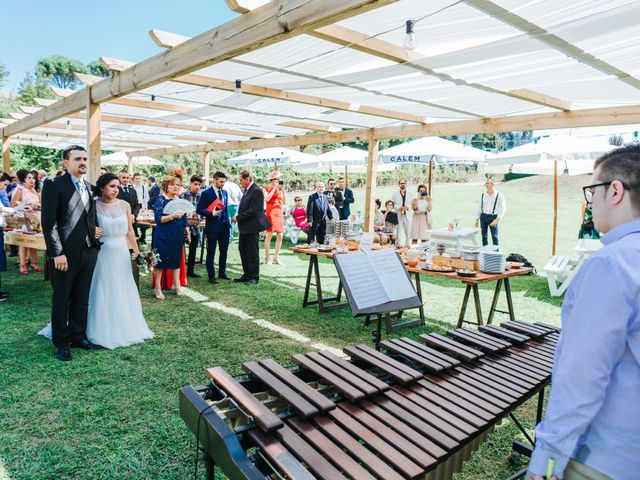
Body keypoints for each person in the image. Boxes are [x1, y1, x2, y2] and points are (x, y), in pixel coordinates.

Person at [528, 143, 640, 480]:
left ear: (615, 191)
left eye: (593, 190)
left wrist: (546, 461)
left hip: (603, 458)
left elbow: (582, 377)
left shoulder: (612, 263)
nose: (590, 201)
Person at [41, 145, 103, 361]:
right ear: (66, 163)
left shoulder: (88, 186)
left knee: (82, 297)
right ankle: (61, 343)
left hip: (88, 251)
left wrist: (93, 233)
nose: (83, 162)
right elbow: (49, 223)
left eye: (85, 158)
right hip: (64, 254)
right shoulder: (54, 185)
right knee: (61, 298)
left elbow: (87, 216)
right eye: (77, 158)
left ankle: (79, 336)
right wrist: (57, 253)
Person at [86, 174, 153, 349]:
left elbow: (130, 231)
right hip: (102, 252)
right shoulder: (93, 204)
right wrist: (93, 231)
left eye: (117, 186)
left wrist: (137, 252)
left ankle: (125, 324)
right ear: (102, 188)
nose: (116, 190)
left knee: (123, 286)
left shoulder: (124, 205)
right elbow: (86, 226)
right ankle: (99, 327)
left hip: (121, 252)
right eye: (111, 186)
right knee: (103, 286)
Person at [152, 176, 189, 299]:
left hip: (177, 234)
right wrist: (172, 216)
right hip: (163, 234)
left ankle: (176, 285)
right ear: (166, 187)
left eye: (178, 185)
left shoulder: (180, 200)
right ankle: (157, 288)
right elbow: (158, 219)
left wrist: (187, 231)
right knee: (160, 262)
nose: (176, 187)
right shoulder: (161, 200)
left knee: (175, 260)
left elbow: (184, 219)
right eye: (173, 184)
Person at [232, 170, 270, 285]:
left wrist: (238, 218)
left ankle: (254, 277)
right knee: (243, 250)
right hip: (245, 227)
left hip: (252, 227)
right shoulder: (247, 190)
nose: (240, 182)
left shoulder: (256, 190)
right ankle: (247, 274)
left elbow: (254, 210)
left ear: (247, 179)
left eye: (241, 180)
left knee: (252, 252)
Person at [197, 171, 231, 284]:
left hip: (225, 226)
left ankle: (222, 272)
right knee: (211, 251)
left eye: (224, 182)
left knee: (224, 251)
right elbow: (199, 209)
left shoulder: (225, 192)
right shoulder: (206, 193)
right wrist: (211, 214)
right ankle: (211, 276)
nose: (222, 184)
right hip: (212, 226)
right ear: (214, 180)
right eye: (221, 181)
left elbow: (225, 209)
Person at [11, 169, 42, 275]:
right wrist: (26, 207)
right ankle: (22, 264)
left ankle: (34, 262)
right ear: (24, 179)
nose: (32, 180)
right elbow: (13, 205)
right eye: (29, 178)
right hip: (24, 220)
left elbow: (41, 205)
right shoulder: (20, 190)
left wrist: (36, 206)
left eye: (33, 178)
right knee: (24, 242)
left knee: (33, 241)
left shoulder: (36, 191)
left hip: (35, 220)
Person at [180, 175, 203, 277]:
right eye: (195, 184)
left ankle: (191, 270)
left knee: (193, 248)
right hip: (184, 227)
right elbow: (179, 210)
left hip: (195, 227)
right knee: (181, 249)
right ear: (190, 184)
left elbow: (202, 210)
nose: (197, 187)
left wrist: (198, 218)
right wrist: (187, 220)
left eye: (199, 185)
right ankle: (180, 270)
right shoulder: (183, 195)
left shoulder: (201, 196)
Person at [475, 177, 506, 246]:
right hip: (483, 217)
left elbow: (502, 208)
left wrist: (497, 219)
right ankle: (485, 253)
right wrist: (477, 219)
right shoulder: (483, 194)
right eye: (485, 183)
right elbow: (479, 207)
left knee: (495, 237)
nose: (485, 185)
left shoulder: (499, 195)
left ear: (492, 184)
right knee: (484, 237)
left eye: (487, 183)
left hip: (493, 218)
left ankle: (496, 255)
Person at [264, 171, 285, 264]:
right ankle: (267, 257)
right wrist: (274, 189)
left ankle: (276, 257)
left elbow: (283, 202)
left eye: (279, 180)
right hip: (270, 212)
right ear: (272, 180)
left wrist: (283, 190)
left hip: (278, 213)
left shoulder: (279, 190)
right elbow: (267, 199)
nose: (278, 181)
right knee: (269, 234)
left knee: (280, 235)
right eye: (277, 179)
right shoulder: (265, 189)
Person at [391, 179, 412, 245]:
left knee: (408, 233)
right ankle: (398, 246)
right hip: (398, 215)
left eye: (404, 183)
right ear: (399, 184)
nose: (403, 184)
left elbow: (412, 204)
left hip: (407, 215)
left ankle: (407, 246)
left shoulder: (410, 194)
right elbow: (392, 204)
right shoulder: (395, 194)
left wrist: (407, 207)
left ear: (406, 184)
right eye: (401, 183)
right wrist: (399, 207)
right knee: (398, 233)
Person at [132, 173, 150, 244]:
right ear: (133, 179)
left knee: (143, 223)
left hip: (142, 206)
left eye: (139, 178)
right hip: (134, 206)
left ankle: (143, 237)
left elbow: (146, 197)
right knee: (135, 222)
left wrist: (145, 207)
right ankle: (136, 236)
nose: (138, 180)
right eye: (136, 178)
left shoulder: (143, 187)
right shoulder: (132, 187)